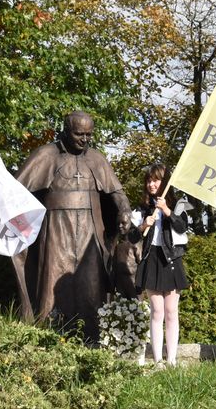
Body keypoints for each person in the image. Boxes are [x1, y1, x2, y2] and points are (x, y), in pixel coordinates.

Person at [12, 111, 131, 345]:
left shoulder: (97, 159)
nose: (84, 140)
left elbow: (116, 192)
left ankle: (93, 339)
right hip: (56, 229)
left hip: (90, 231)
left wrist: (124, 210)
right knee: (51, 285)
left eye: (89, 135)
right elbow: (16, 191)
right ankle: (47, 340)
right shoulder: (46, 155)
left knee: (91, 286)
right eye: (79, 134)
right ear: (65, 131)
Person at [129, 162, 190, 368]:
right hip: (151, 258)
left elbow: (182, 228)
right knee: (157, 311)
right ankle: (157, 361)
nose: (151, 184)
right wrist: (143, 225)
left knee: (172, 311)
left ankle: (171, 359)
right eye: (148, 180)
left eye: (155, 180)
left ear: (164, 182)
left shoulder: (179, 204)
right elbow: (131, 236)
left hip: (171, 258)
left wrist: (166, 211)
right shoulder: (142, 207)